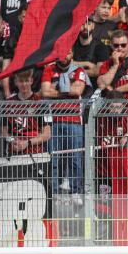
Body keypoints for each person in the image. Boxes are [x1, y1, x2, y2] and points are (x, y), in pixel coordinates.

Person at [41, 49, 90, 198]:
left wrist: (55, 90)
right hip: (54, 121)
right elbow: (44, 92)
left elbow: (77, 91)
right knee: (53, 158)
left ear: (72, 54)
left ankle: (75, 192)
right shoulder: (49, 69)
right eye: (62, 53)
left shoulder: (79, 71)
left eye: (68, 53)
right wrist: (65, 91)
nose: (64, 56)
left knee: (75, 159)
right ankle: (54, 192)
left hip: (74, 120)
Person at [96, 29, 128, 99]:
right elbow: (102, 85)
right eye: (116, 45)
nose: (119, 48)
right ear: (111, 45)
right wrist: (115, 65)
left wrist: (116, 91)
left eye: (123, 45)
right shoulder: (106, 63)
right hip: (113, 107)